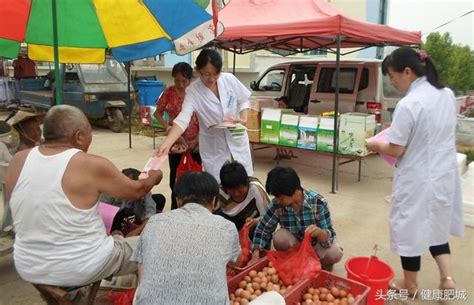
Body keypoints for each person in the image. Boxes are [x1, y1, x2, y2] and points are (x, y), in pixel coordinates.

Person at [5, 105, 163, 287]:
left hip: (28, 265)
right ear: (79, 136)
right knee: (157, 243)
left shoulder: (19, 160)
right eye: (90, 133)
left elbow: (18, 206)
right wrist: (154, 177)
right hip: (81, 266)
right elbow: (137, 191)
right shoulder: (89, 164)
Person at [366, 47, 463, 294]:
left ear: (407, 72)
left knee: (408, 231)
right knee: (436, 227)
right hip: (443, 175)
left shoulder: (409, 103)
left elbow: (396, 149)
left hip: (417, 179)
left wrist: (375, 143)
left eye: (392, 75)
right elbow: (430, 132)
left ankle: (410, 285)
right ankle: (447, 279)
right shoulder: (447, 95)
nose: (392, 81)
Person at [131, 171, 240, 305]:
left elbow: (141, 267)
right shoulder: (227, 227)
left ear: (178, 200)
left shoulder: (154, 222)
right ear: (214, 202)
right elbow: (236, 262)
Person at [156, 49, 253, 182]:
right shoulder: (193, 91)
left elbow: (243, 99)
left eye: (216, 74)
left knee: (244, 183)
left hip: (236, 139)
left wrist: (244, 117)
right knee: (219, 187)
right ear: (197, 70)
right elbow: (183, 119)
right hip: (214, 146)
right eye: (206, 74)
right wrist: (167, 144)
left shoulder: (229, 79)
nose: (211, 79)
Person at [250, 166, 343, 271]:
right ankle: (297, 260)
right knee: (279, 237)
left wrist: (319, 232)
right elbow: (263, 228)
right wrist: (255, 254)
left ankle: (321, 264)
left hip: (315, 246)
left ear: (294, 191)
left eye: (280, 197)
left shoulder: (318, 202)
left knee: (334, 252)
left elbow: (328, 237)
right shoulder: (277, 204)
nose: (277, 199)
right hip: (295, 246)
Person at [153, 62, 201, 210]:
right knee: (175, 177)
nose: (180, 84)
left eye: (184, 81)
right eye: (177, 80)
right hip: (175, 142)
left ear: (190, 80)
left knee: (196, 177)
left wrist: (197, 140)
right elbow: (157, 113)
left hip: (195, 142)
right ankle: (176, 208)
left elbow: (205, 119)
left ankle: (195, 208)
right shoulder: (169, 92)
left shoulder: (196, 93)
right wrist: (167, 126)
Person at [100, 168, 166, 237]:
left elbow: (150, 213)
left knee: (160, 198)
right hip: (118, 212)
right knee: (117, 215)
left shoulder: (143, 189)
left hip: (134, 210)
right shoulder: (109, 190)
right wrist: (114, 230)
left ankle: (139, 223)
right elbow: (102, 213)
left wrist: (136, 231)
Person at [216, 161, 270, 231]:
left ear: (246, 182)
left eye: (239, 189)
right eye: (232, 190)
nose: (236, 194)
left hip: (251, 223)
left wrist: (255, 221)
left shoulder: (255, 188)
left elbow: (268, 215)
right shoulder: (221, 191)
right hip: (229, 221)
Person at [275, 96, 296, 160]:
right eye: (279, 105)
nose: (280, 107)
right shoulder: (277, 112)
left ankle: (283, 154)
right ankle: (281, 153)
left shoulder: (292, 113)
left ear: (287, 105)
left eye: (282, 105)